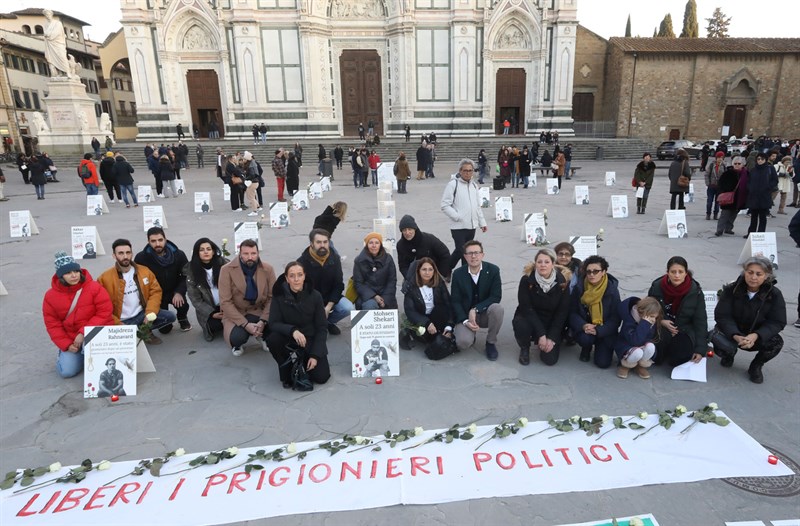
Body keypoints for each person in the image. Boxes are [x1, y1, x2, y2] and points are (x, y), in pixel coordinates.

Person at [713, 256, 786, 384]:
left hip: (756, 336)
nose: (753, 277)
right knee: (716, 336)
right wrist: (735, 335)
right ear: (744, 272)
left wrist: (756, 335)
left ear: (767, 276)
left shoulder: (774, 294)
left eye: (759, 274)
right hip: (734, 333)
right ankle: (729, 354)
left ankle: (756, 366)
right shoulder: (732, 289)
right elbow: (722, 315)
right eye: (750, 272)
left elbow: (777, 321)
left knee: (776, 342)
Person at [43, 252, 114, 378]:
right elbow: (53, 325)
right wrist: (66, 344)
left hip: (96, 333)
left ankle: (86, 354)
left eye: (76, 271)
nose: (74, 275)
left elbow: (104, 313)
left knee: (99, 368)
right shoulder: (50, 296)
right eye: (68, 273)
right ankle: (68, 355)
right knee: (67, 372)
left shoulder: (94, 287)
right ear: (60, 276)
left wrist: (83, 332)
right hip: (71, 339)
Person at [98, 239, 176, 345]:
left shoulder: (144, 271)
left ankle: (143, 330)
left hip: (141, 314)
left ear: (132, 254)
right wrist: (118, 323)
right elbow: (101, 307)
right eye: (121, 253)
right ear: (114, 256)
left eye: (128, 252)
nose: (125, 256)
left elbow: (155, 292)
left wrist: (150, 313)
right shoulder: (104, 278)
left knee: (170, 316)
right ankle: (133, 334)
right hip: (122, 320)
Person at [267, 261, 331, 387]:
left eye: (299, 275)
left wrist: (315, 355)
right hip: (289, 336)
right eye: (292, 276)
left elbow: (322, 328)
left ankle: (306, 359)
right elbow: (273, 323)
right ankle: (287, 367)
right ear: (286, 278)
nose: (296, 279)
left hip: (309, 337)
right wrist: (292, 331)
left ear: (304, 276)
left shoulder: (315, 296)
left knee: (321, 377)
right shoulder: (279, 295)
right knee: (273, 339)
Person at [219, 239, 276, 357]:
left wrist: (263, 320)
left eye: (253, 253)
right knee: (237, 337)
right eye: (246, 254)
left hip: (258, 310)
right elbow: (225, 302)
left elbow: (272, 297)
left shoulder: (268, 269)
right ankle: (238, 344)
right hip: (237, 312)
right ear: (240, 254)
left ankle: (262, 335)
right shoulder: (226, 270)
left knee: (276, 330)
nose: (250, 257)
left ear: (258, 254)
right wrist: (245, 324)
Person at [512, 248, 570, 366]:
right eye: (539, 262)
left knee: (549, 360)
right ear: (535, 264)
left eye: (547, 262)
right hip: (530, 318)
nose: (543, 265)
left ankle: (552, 341)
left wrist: (551, 337)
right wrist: (541, 334)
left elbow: (562, 313)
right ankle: (524, 348)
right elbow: (526, 308)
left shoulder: (562, 283)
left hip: (550, 321)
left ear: (553, 264)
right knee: (520, 323)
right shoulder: (527, 280)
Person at [647, 256, 707, 367]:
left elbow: (701, 320)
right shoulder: (657, 286)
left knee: (678, 359)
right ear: (667, 272)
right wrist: (661, 321)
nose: (677, 275)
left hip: (684, 328)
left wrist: (700, 349)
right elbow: (649, 309)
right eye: (673, 272)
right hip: (662, 326)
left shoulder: (695, 291)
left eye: (680, 272)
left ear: (686, 273)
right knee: (656, 358)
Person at [450, 240, 504, 360]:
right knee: (463, 343)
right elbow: (455, 300)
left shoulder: (494, 270)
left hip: (485, 313)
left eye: (476, 252)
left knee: (498, 309)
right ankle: (470, 335)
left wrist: (475, 309)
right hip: (465, 315)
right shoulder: (458, 274)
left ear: (482, 255)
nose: (473, 256)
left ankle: (490, 342)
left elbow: (496, 296)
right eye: (469, 253)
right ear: (465, 256)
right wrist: (464, 320)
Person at [297, 229, 354, 335]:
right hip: (311, 299)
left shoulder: (335, 258)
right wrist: (318, 307)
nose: (322, 245)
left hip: (329, 297)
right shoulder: (301, 262)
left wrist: (328, 307)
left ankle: (328, 323)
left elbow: (339, 284)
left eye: (325, 242)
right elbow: (300, 290)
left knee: (348, 307)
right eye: (318, 242)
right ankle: (315, 323)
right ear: (311, 244)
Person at [134, 227, 192, 333]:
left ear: (165, 239)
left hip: (174, 289)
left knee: (182, 304)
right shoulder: (141, 258)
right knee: (165, 330)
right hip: (156, 294)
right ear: (148, 242)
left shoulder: (179, 254)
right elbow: (138, 280)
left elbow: (186, 275)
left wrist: (179, 292)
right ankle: (166, 323)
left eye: (160, 240)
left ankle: (182, 317)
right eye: (153, 241)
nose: (157, 244)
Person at [568, 256, 621, 368]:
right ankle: (586, 348)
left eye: (596, 271)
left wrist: (599, 330)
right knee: (585, 339)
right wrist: (583, 325)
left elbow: (615, 318)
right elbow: (572, 312)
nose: (592, 274)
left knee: (603, 363)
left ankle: (600, 345)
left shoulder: (612, 290)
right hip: (586, 328)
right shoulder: (580, 287)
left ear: (604, 272)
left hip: (604, 329)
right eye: (589, 271)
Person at [441, 159, 488, 269]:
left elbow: (477, 206)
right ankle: (446, 269)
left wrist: (482, 222)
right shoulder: (453, 185)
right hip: (458, 226)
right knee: (460, 250)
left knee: (467, 252)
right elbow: (445, 205)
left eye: (470, 171)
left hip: (471, 225)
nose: (468, 173)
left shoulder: (474, 186)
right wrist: (457, 216)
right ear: (460, 171)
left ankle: (465, 274)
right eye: (465, 170)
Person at [401, 257, 453, 350]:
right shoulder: (411, 286)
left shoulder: (439, 283)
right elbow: (410, 311)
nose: (427, 272)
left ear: (434, 271)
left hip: (436, 315)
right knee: (424, 335)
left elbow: (448, 304)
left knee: (441, 309)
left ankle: (439, 334)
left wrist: (449, 326)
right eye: (424, 269)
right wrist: (427, 323)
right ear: (418, 271)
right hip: (421, 317)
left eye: (430, 269)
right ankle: (410, 333)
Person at [185, 238, 229, 342]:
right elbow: (195, 299)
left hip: (226, 304)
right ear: (197, 253)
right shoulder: (191, 271)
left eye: (208, 249)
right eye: (202, 250)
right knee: (215, 326)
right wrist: (212, 313)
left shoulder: (224, 264)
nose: (206, 252)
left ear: (213, 251)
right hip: (210, 309)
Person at [614, 296, 661, 379]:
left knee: (651, 347)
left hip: (641, 344)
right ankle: (626, 365)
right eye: (652, 316)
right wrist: (644, 324)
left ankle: (640, 365)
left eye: (655, 317)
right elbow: (635, 341)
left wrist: (647, 324)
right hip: (627, 346)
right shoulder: (629, 321)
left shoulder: (650, 321)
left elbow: (649, 337)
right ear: (642, 313)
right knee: (637, 352)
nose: (654, 320)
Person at [396, 215, 451, 283]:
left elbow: (445, 254)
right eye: (404, 230)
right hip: (414, 277)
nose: (407, 233)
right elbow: (403, 265)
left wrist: (441, 275)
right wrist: (410, 278)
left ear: (415, 229)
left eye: (410, 229)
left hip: (434, 273)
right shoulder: (400, 245)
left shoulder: (429, 239)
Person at [352, 232, 398, 310]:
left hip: (385, 294)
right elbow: (358, 283)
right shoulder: (359, 260)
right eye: (371, 243)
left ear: (380, 245)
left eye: (377, 243)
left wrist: (385, 299)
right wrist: (374, 296)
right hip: (367, 295)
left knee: (387, 307)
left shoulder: (388, 259)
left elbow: (392, 281)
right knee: (370, 305)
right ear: (366, 245)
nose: (374, 246)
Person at [745, 151, 778, 237]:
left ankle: (760, 234)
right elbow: (749, 181)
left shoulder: (770, 169)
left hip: (764, 196)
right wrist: (750, 188)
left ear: (765, 160)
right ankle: (751, 234)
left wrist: (768, 187)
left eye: (762, 159)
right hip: (754, 196)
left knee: (762, 217)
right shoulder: (753, 169)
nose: (760, 161)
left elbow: (775, 180)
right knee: (753, 217)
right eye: (758, 159)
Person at [714, 156, 748, 236]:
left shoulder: (746, 174)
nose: (737, 165)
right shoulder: (728, 173)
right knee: (725, 214)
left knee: (733, 214)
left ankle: (728, 228)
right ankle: (719, 230)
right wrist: (723, 193)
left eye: (739, 164)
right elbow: (721, 184)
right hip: (728, 198)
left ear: (742, 164)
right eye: (735, 163)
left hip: (739, 198)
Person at [704, 151, 726, 220]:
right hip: (711, 186)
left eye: (721, 157)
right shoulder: (711, 165)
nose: (720, 159)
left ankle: (715, 214)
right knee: (709, 201)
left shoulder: (724, 166)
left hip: (719, 187)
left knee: (717, 202)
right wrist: (708, 184)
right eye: (719, 157)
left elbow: (725, 176)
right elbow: (706, 174)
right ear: (716, 158)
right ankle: (708, 214)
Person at [242, 152, 261, 216]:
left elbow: (252, 175)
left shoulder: (250, 166)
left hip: (252, 182)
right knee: (252, 196)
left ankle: (254, 211)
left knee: (251, 197)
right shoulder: (252, 164)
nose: (243, 160)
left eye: (244, 159)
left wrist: (246, 178)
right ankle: (257, 207)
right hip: (255, 182)